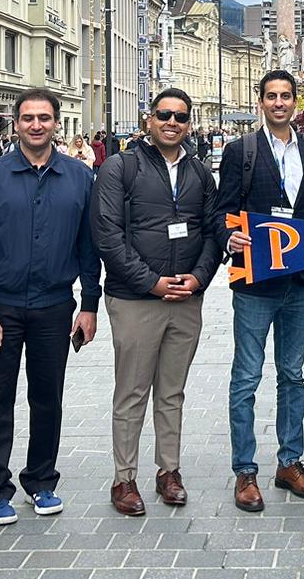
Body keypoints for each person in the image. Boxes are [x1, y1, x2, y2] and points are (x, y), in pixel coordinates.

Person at [0, 88, 100, 524]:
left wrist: (89, 304)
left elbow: (88, 246)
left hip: (53, 306)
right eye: (28, 118)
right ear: (17, 123)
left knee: (47, 398)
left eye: (44, 117)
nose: (36, 125)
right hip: (1, 306)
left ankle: (42, 482)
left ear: (57, 123)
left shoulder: (80, 177)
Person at [94, 88, 222, 515]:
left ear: (189, 124)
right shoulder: (120, 167)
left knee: (172, 392)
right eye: (164, 114)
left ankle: (169, 471)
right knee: (132, 392)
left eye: (181, 117)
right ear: (149, 120)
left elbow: (211, 231)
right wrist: (151, 283)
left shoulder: (200, 172)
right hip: (136, 299)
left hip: (186, 297)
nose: (172, 122)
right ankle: (124, 478)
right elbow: (108, 237)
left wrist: (199, 277)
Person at [217, 70, 304, 512]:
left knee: (293, 374)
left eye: (286, 96)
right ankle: (245, 470)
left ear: (296, 102)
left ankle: (289, 462)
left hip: (300, 285)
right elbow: (223, 210)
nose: (279, 103)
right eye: (271, 97)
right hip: (254, 284)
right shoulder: (240, 151)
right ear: (261, 101)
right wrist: (231, 237)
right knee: (246, 377)